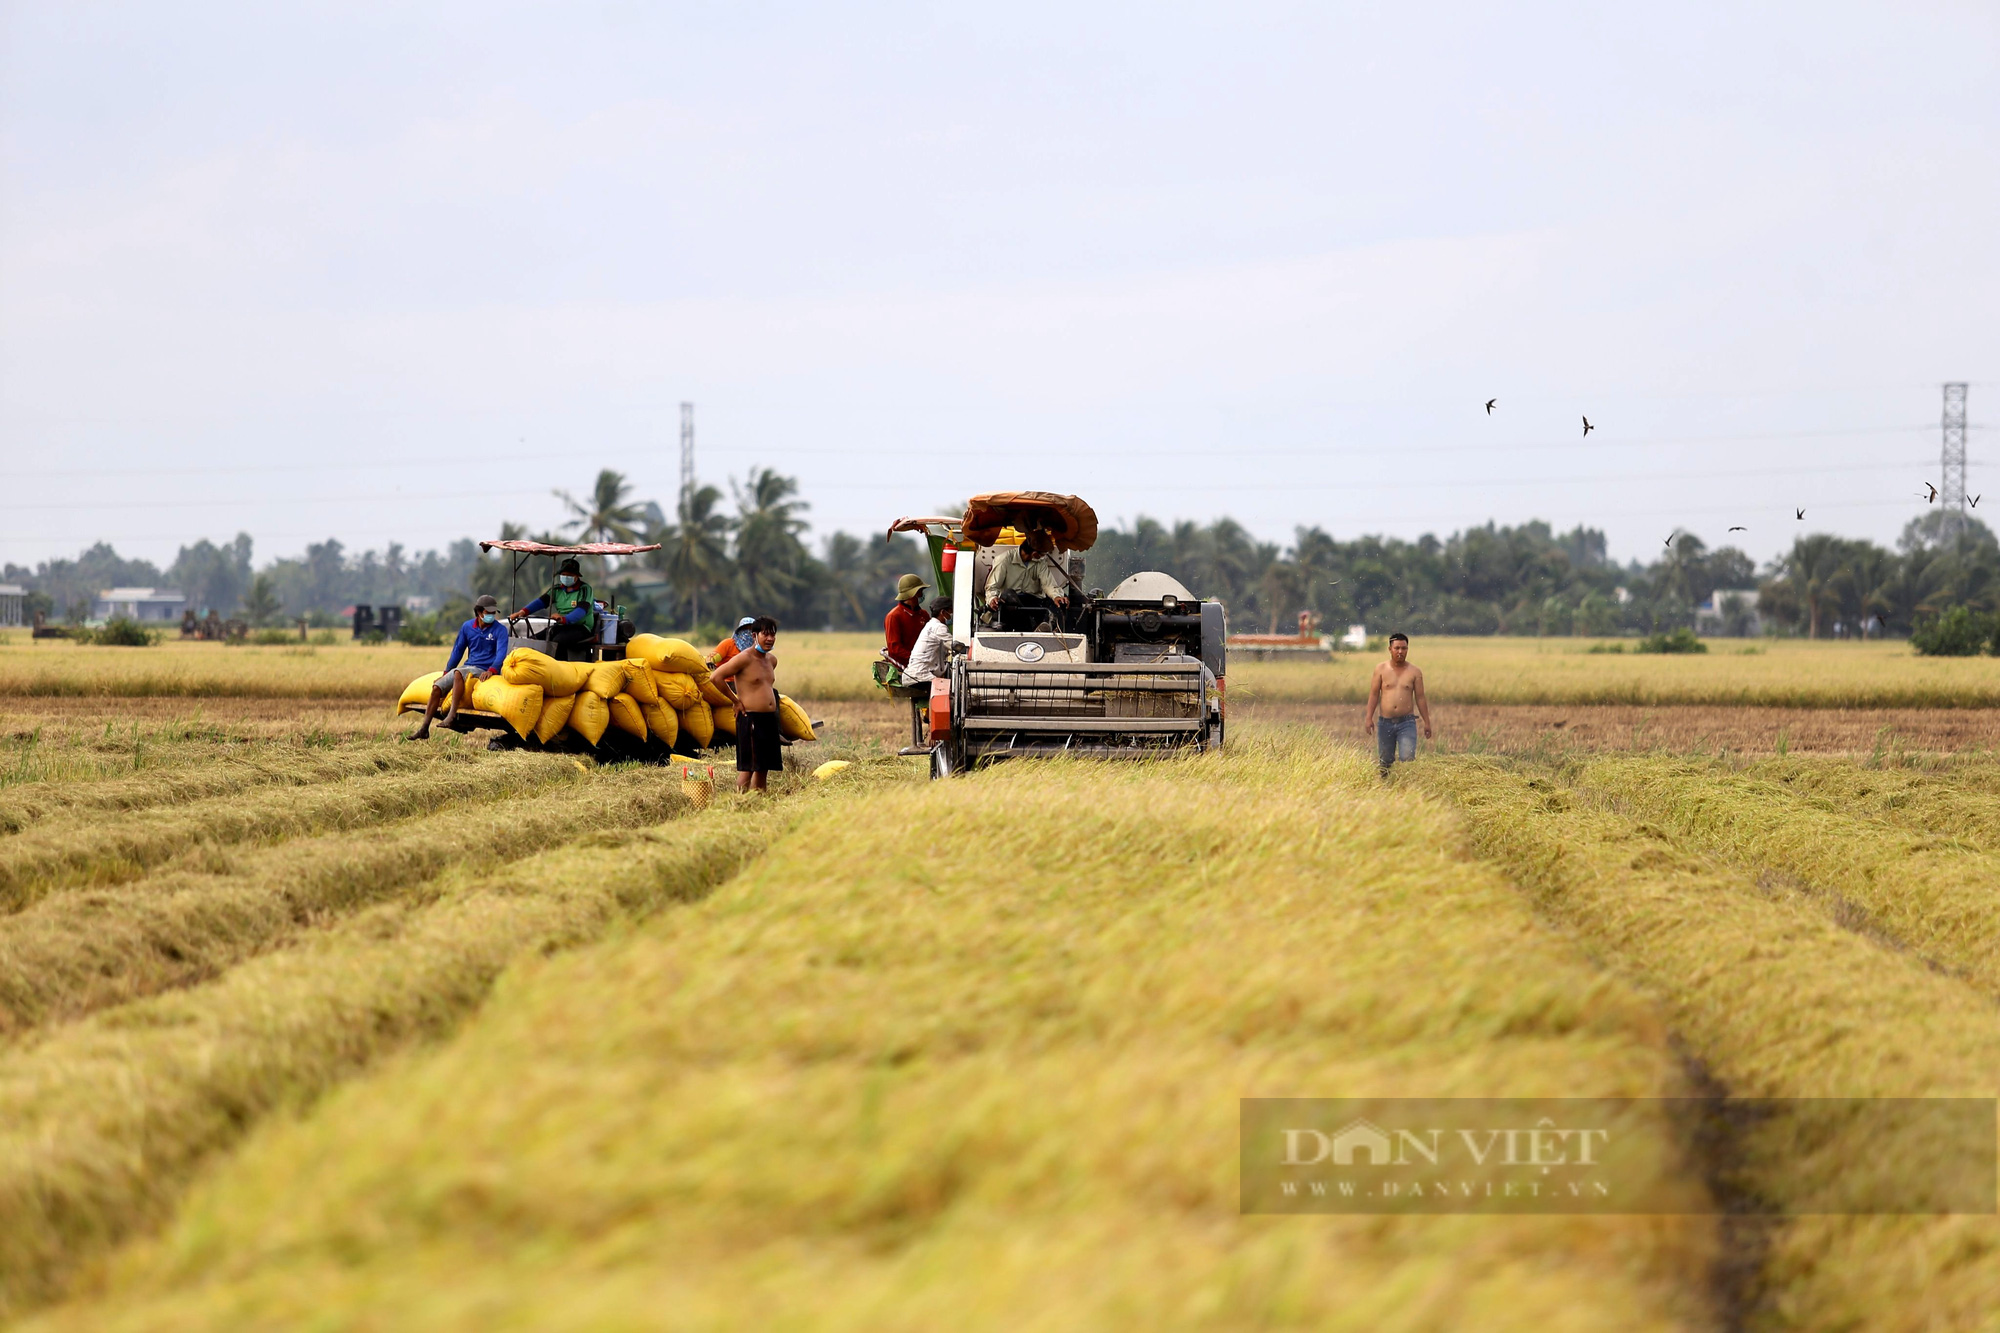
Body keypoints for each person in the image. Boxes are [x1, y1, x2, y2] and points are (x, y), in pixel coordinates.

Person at [407, 595, 510, 740]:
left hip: (483, 670)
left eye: (494, 613)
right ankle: (424, 729)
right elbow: (457, 652)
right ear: (479, 612)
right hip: (467, 667)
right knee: (436, 687)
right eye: (489, 613)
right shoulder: (467, 627)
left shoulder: (500, 630)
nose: (492, 616)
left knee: (458, 674)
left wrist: (492, 670)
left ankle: (451, 716)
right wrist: (445, 672)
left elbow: (501, 654)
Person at [710, 615, 782, 792]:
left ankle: (759, 805)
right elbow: (715, 677)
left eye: (772, 635)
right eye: (765, 634)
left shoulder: (771, 660)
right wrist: (735, 701)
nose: (770, 639)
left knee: (763, 767)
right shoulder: (744, 658)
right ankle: (740, 804)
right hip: (750, 719)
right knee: (748, 768)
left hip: (769, 719)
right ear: (754, 636)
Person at [1364, 632, 1433, 775]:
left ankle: (1406, 789)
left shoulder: (1415, 672)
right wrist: (1368, 717)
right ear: (1390, 649)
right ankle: (1385, 790)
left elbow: (1420, 698)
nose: (1400, 652)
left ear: (1407, 649)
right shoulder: (1381, 669)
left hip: (1406, 723)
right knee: (1385, 761)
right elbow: (1374, 694)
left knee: (1407, 758)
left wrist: (1427, 722)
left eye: (1404, 648)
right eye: (1397, 648)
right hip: (1385, 723)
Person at [984, 530, 1070, 630]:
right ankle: (1034, 626)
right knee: (1008, 594)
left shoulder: (1040, 563)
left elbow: (1048, 584)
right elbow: (991, 587)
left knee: (1060, 600)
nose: (1043, 557)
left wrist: (1057, 596)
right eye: (1043, 554)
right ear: (1035, 554)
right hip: (1011, 606)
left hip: (1033, 603)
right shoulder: (1004, 560)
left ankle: (1050, 626)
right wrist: (992, 599)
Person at [518, 558, 598, 660]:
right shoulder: (557, 590)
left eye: (569, 575)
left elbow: (581, 611)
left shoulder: (585, 589)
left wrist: (564, 619)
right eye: (564, 575)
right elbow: (541, 602)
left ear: (577, 576)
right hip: (562, 626)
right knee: (535, 639)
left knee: (558, 640)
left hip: (581, 627)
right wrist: (523, 611)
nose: (566, 577)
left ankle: (560, 668)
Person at [902, 595, 954, 685]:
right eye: (951, 612)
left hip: (913, 674)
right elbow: (954, 646)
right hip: (921, 676)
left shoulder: (930, 625)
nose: (952, 615)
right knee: (948, 689)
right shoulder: (939, 627)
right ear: (943, 612)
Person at [883, 574, 931, 668]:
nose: (922, 595)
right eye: (919, 592)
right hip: (902, 668)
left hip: (923, 665)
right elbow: (894, 648)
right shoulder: (894, 616)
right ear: (911, 594)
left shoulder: (923, 615)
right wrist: (915, 658)